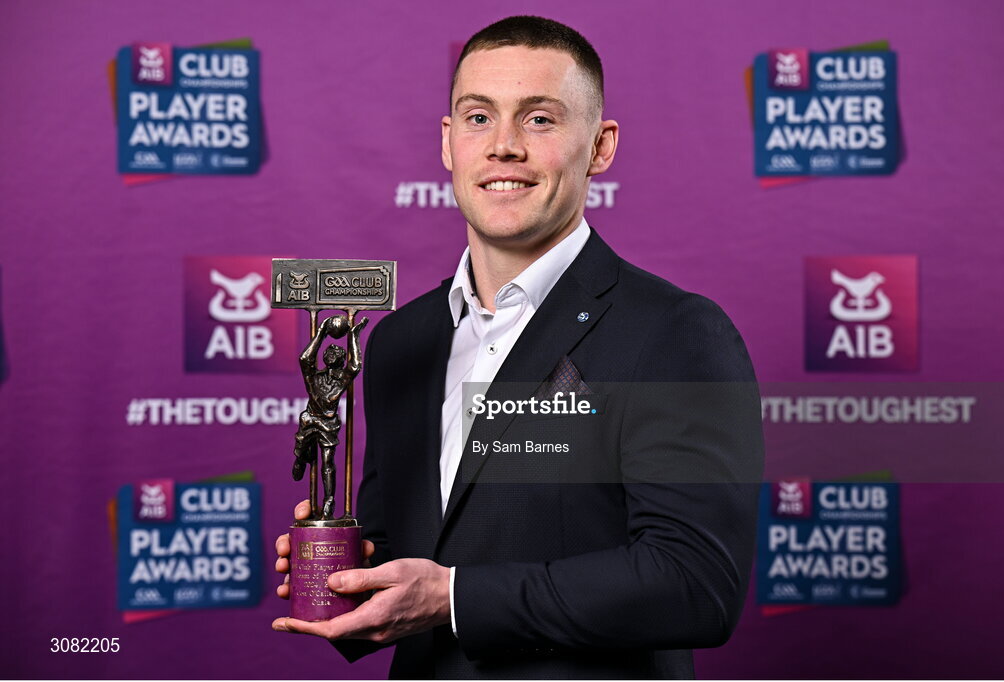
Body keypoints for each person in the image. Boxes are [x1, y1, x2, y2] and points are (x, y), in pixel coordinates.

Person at [273, 16, 764, 678]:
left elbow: (695, 583)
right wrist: (351, 579)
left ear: (600, 146)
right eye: (479, 117)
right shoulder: (400, 341)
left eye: (539, 120)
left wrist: (451, 599)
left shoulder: (675, 333)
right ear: (448, 144)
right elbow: (413, 558)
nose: (503, 146)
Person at [291, 313, 368, 519]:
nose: (333, 351)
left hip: (329, 424)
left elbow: (355, 365)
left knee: (327, 461)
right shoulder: (313, 376)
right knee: (302, 448)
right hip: (309, 420)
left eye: (337, 351)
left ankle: (329, 499)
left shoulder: (342, 378)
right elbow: (305, 358)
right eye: (329, 350)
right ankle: (300, 457)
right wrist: (322, 331)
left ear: (342, 359)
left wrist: (353, 336)